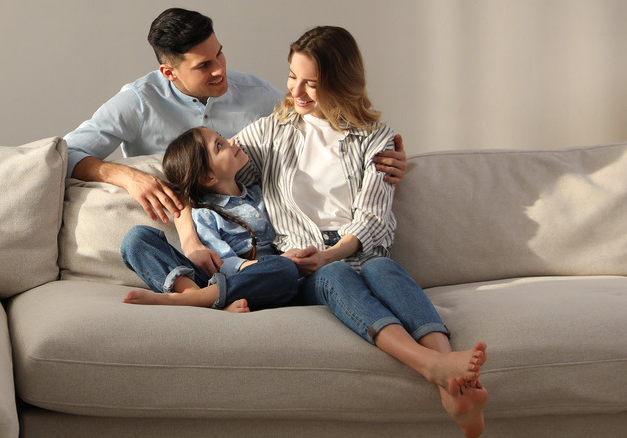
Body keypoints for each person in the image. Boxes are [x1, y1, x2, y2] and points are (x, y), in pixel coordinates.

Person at [175, 26, 487, 437]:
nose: (297, 92)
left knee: (382, 270)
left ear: (341, 84)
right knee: (336, 275)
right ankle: (430, 365)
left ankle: (453, 381)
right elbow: (195, 177)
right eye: (292, 76)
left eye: (313, 83)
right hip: (304, 262)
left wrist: (334, 250)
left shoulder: (374, 139)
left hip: (356, 250)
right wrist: (189, 236)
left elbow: (373, 218)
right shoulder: (270, 132)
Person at [63, 8, 408, 273]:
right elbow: (64, 154)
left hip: (258, 244)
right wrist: (127, 175)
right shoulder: (137, 102)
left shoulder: (258, 96)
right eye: (203, 66)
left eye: (220, 54)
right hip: (186, 229)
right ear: (169, 72)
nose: (220, 70)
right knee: (138, 241)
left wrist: (381, 158)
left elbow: (322, 126)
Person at [120, 127, 300, 313]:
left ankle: (203, 301)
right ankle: (194, 295)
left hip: (258, 284)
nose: (232, 141)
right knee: (136, 238)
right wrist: (260, 265)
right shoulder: (205, 213)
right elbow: (223, 263)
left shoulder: (261, 194)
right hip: (217, 279)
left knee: (284, 269)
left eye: (222, 138)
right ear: (208, 177)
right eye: (220, 145)